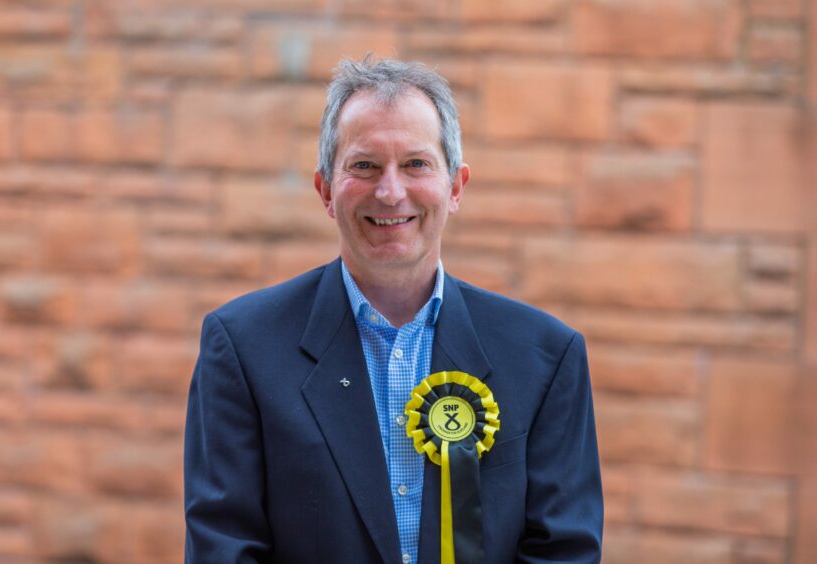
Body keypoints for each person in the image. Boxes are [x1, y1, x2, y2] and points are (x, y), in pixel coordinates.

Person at [184, 57, 603, 564]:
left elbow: (564, 553)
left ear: (455, 188)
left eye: (416, 164)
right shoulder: (243, 348)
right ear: (325, 191)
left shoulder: (546, 357)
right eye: (363, 165)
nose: (390, 191)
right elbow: (224, 549)